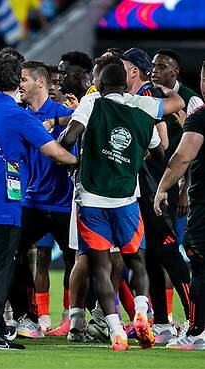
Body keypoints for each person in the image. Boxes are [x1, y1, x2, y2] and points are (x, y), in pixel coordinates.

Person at [0, 47, 77, 350]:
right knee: (1, 266)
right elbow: (55, 152)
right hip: (2, 201)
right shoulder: (17, 114)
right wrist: (82, 164)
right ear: (16, 80)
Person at [59, 59, 166, 351]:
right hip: (127, 200)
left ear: (101, 84)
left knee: (101, 268)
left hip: (92, 201)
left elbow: (69, 138)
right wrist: (134, 155)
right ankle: (142, 313)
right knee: (136, 262)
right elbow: (159, 154)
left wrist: (69, 152)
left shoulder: (93, 102)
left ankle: (116, 329)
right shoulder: (143, 110)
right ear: (125, 84)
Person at [122, 47, 191, 343]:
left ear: (132, 71)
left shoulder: (149, 97)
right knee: (148, 256)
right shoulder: (134, 100)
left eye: (122, 67)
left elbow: (163, 147)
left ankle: (196, 319)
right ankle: (162, 322)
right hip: (140, 190)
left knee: (168, 254)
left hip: (156, 188)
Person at [16, 61, 76, 336]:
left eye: (24, 79)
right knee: (16, 253)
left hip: (65, 202)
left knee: (74, 260)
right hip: (32, 201)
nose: (20, 84)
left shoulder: (65, 114)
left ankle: (70, 318)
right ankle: (32, 317)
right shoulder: (19, 116)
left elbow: (81, 121)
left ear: (41, 83)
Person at [154, 59, 205, 350]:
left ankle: (198, 331)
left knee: (200, 263)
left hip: (204, 202)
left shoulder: (200, 116)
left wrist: (163, 189)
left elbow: (183, 157)